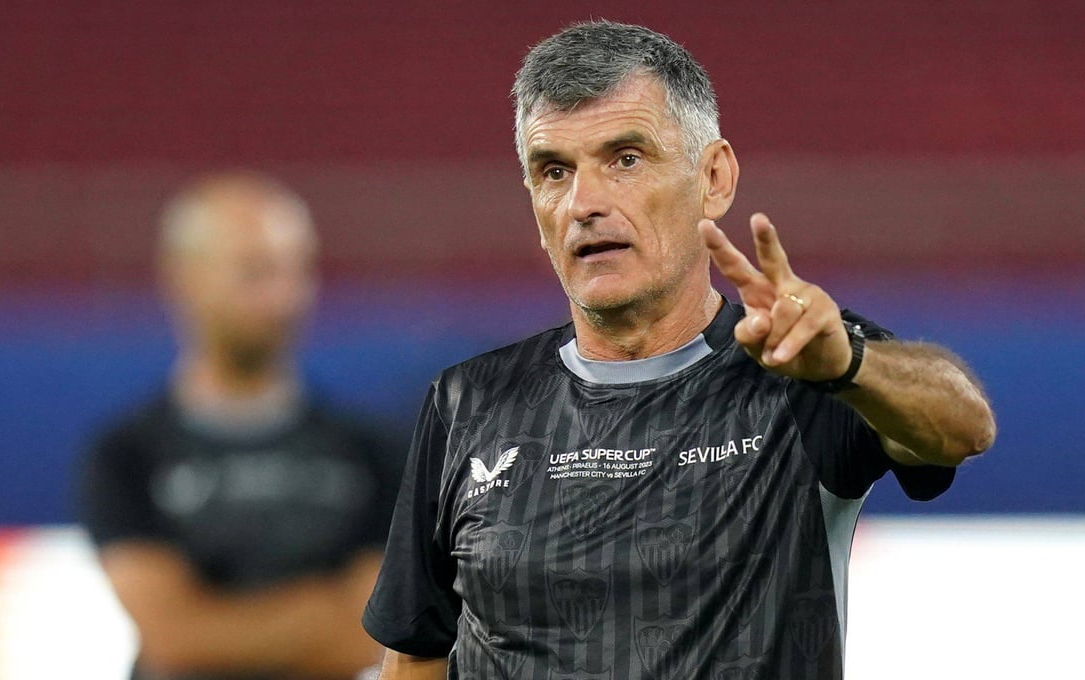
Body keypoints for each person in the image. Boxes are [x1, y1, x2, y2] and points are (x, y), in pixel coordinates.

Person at [361, 20, 996, 680]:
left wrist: (850, 367)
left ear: (713, 177)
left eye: (625, 160)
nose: (584, 203)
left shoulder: (803, 368)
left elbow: (964, 428)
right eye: (554, 171)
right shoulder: (466, 402)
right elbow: (415, 656)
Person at [80, 172, 399, 680]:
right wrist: (318, 614)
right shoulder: (126, 455)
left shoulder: (374, 452)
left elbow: (378, 633)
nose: (283, 297)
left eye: (296, 270)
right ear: (182, 277)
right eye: (254, 272)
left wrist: (220, 625)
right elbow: (174, 639)